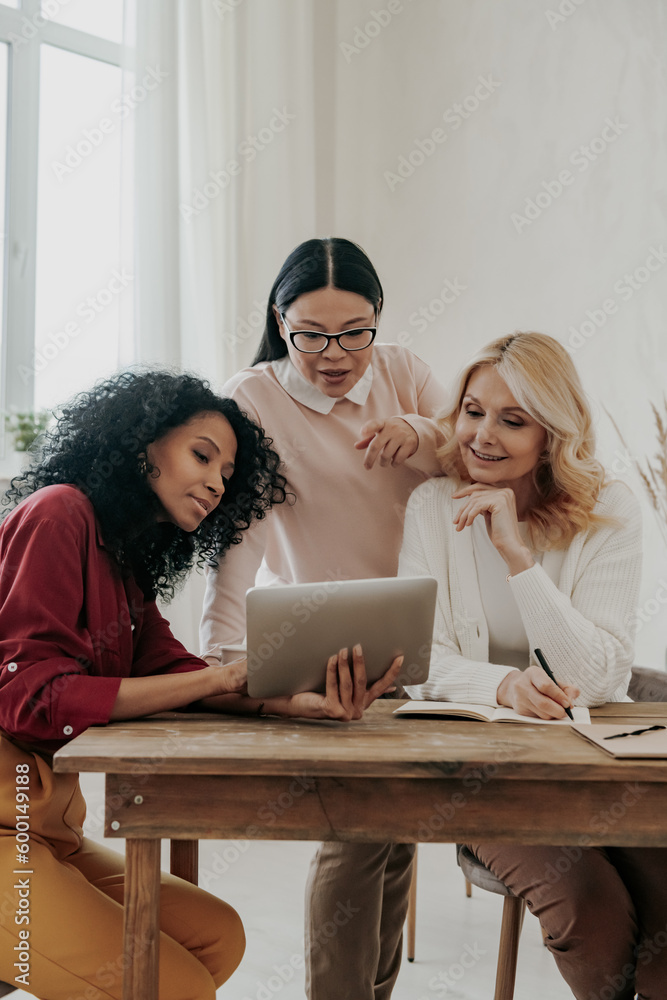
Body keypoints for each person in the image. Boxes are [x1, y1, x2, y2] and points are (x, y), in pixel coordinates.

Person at [0, 370, 400, 1000]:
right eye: (202, 456)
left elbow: (174, 670)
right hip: (6, 834)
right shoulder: (59, 513)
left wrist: (286, 701)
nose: (217, 482)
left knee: (218, 935)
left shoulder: (123, 557)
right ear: (141, 448)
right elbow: (32, 702)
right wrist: (231, 675)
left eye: (227, 473)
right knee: (176, 986)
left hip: (50, 830)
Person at [200, 237, 448, 1000]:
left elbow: (477, 452)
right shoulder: (252, 398)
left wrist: (428, 434)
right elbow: (237, 536)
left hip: (422, 633)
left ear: (377, 321)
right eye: (310, 334)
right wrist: (221, 655)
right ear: (280, 322)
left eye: (353, 332)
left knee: (394, 829)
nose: (334, 354)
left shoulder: (403, 371)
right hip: (326, 638)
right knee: (355, 829)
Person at [399, 331, 667, 1000]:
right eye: (472, 409)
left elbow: (600, 677)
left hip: (595, 768)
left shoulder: (608, 509)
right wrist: (504, 685)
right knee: (589, 907)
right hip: (484, 778)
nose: (481, 435)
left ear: (550, 434)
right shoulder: (431, 507)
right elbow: (420, 661)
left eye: (512, 420)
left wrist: (518, 558)